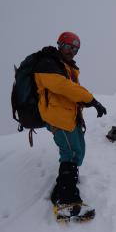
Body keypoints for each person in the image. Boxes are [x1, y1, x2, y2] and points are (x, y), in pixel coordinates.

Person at [33, 31, 107, 206]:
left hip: (68, 116)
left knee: (78, 152)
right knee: (70, 153)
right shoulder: (48, 62)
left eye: (75, 48)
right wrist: (91, 100)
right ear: (60, 44)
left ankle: (65, 184)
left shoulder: (66, 67)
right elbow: (63, 87)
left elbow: (69, 91)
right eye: (68, 46)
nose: (72, 51)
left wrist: (86, 103)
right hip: (57, 117)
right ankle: (67, 200)